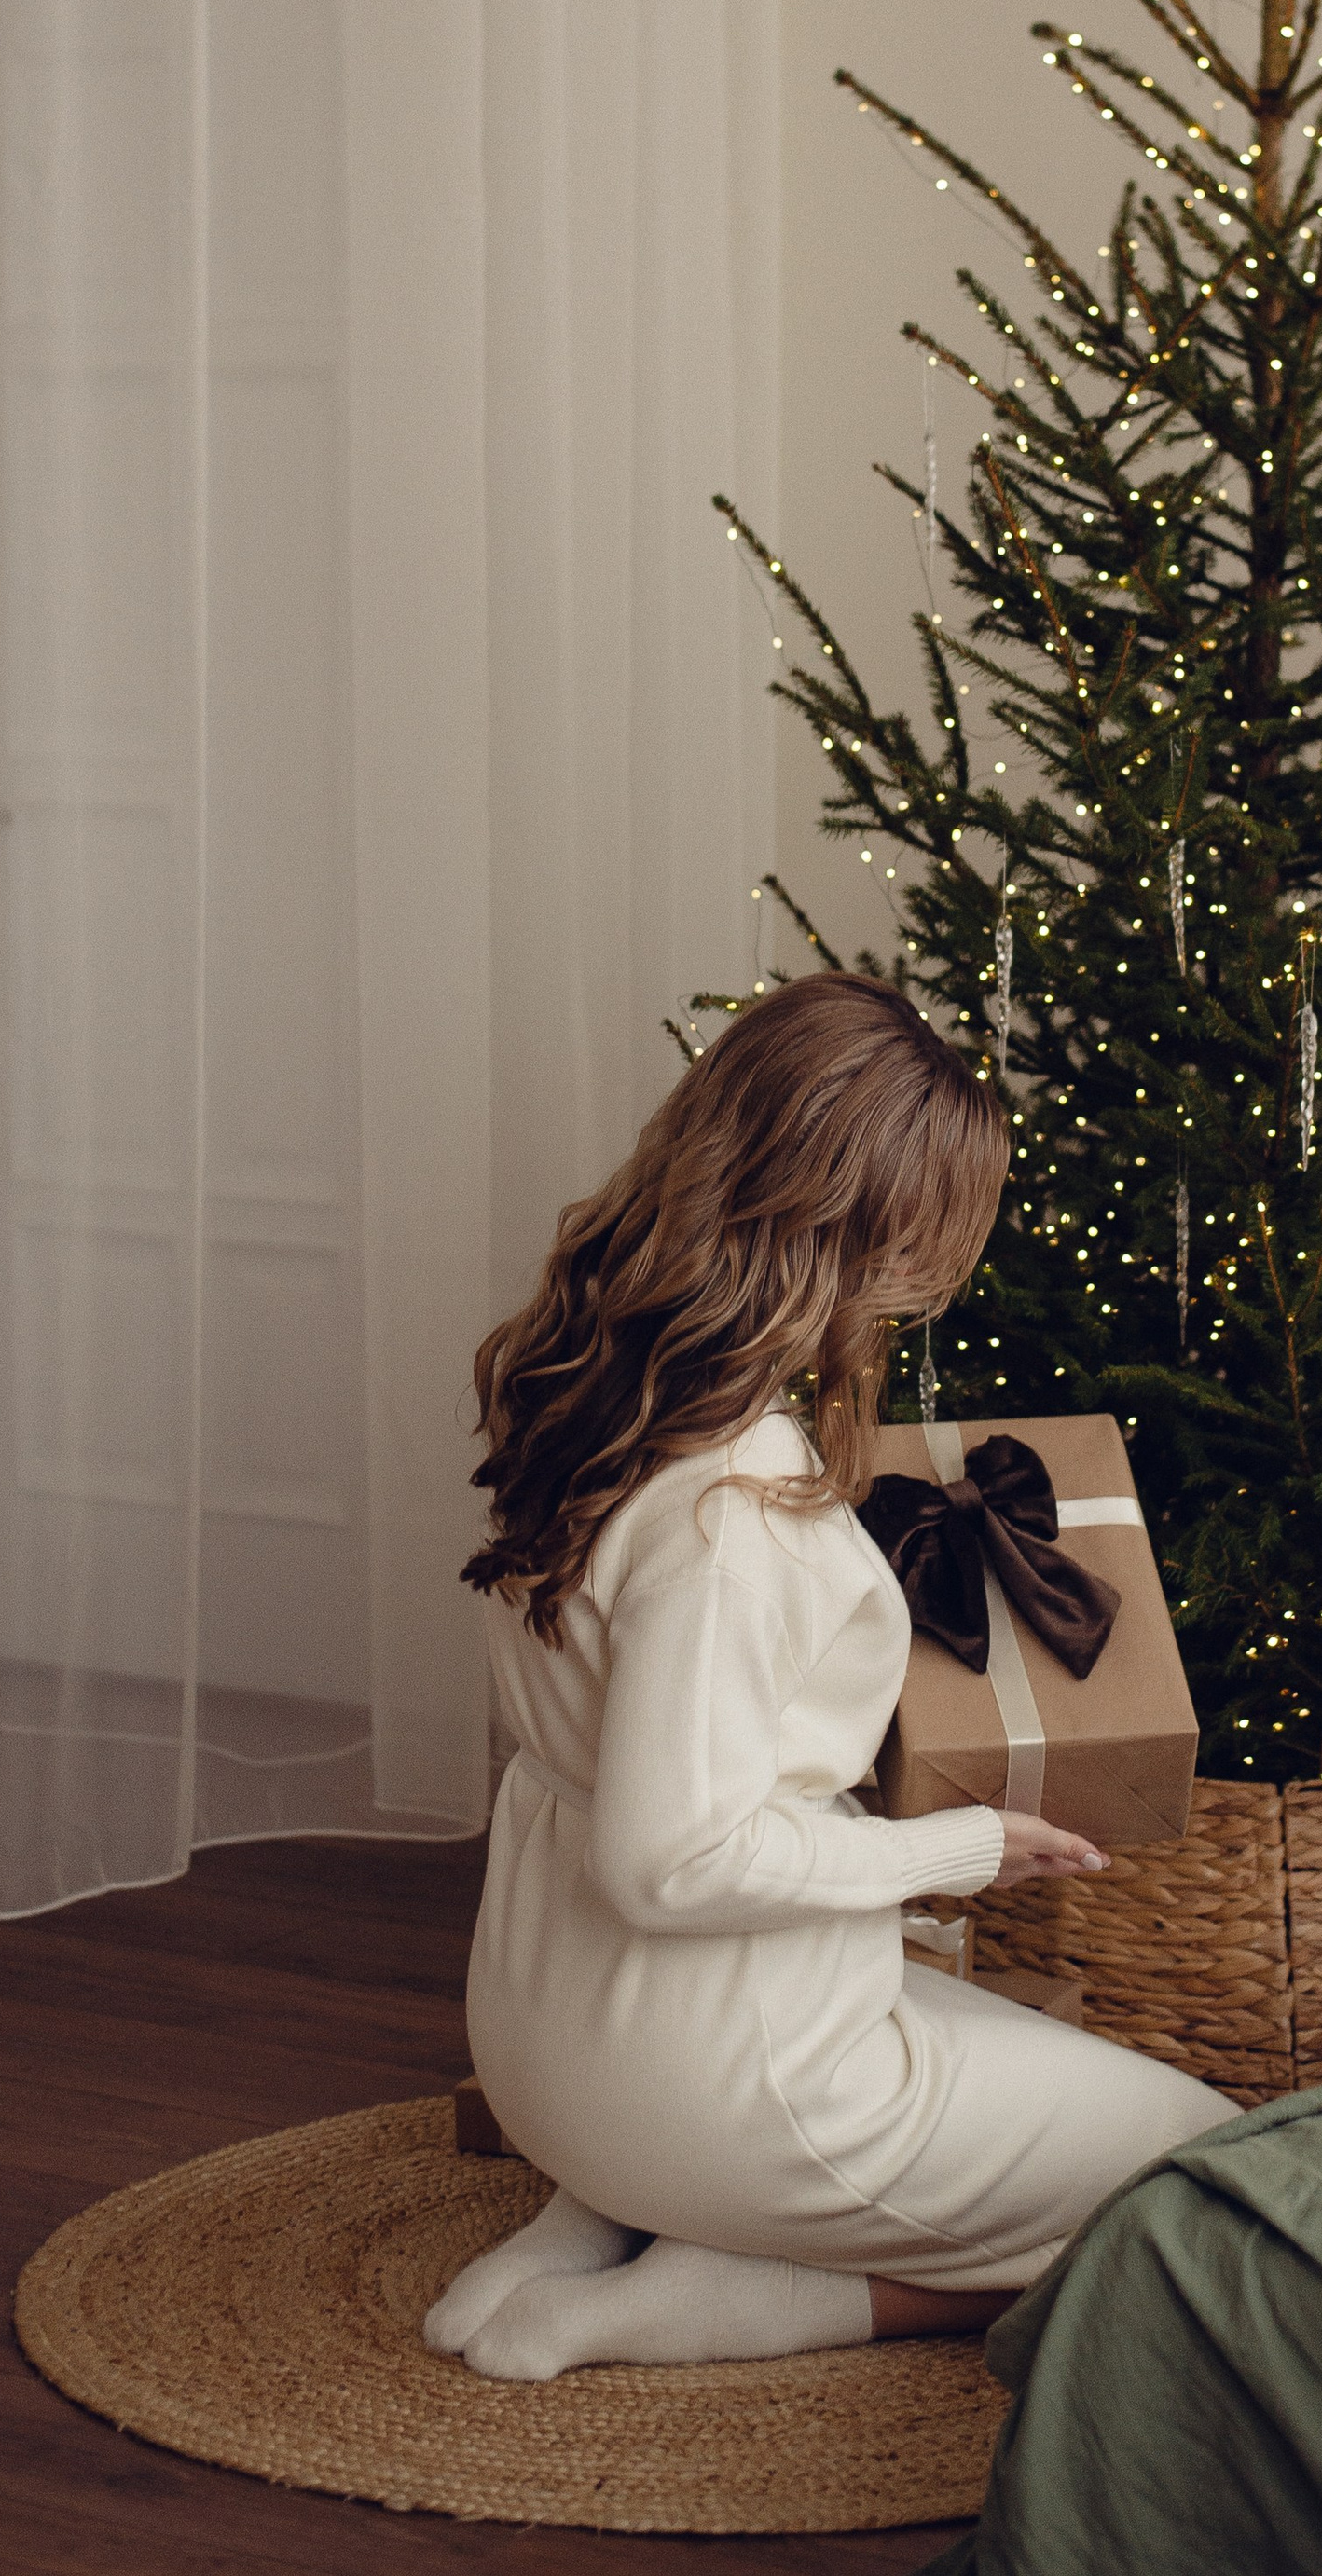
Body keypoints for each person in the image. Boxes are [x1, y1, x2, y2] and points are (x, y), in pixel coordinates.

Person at [425, 970, 1234, 2380]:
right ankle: (694, 2296)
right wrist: (963, 1848)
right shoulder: (732, 1512)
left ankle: (596, 2218)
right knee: (1205, 2169)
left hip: (546, 2033)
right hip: (708, 2078)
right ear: (859, 1231)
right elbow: (671, 1862)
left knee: (980, 2038)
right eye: (927, 1243)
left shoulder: (587, 1389)